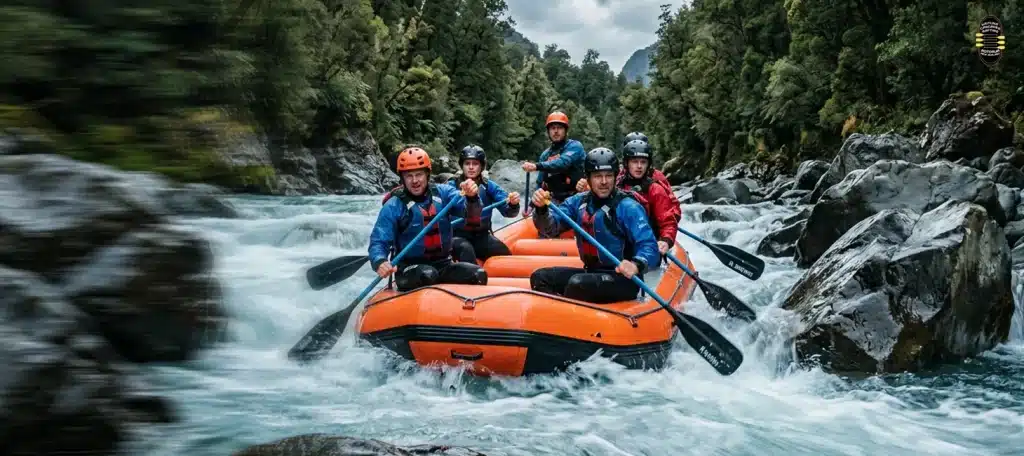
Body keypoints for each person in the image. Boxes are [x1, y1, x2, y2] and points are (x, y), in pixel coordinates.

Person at [527, 147, 661, 304]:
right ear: (588, 178)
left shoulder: (629, 207)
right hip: (591, 272)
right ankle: (557, 320)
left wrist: (636, 264)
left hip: (623, 279)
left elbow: (650, 247)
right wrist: (541, 209)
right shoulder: (577, 202)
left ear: (615, 177)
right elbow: (549, 229)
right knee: (540, 277)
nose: (604, 182)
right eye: (598, 176)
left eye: (608, 176)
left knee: (578, 284)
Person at [369, 146, 488, 291]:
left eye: (419, 174)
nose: (414, 181)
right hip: (409, 269)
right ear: (402, 178)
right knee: (428, 275)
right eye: (409, 176)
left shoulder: (443, 193)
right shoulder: (394, 205)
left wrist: (472, 198)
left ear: (427, 174)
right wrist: (379, 261)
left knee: (478, 274)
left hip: (444, 264)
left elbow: (472, 214)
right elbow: (379, 240)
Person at [576, 139, 681, 255]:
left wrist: (665, 240)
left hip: (646, 242)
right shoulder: (616, 184)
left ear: (648, 164)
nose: (639, 166)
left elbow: (668, 221)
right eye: (635, 162)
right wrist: (587, 188)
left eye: (643, 162)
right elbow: (598, 198)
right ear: (626, 163)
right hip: (620, 242)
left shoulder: (655, 189)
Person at [447, 144, 522, 263]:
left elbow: (508, 212)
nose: (471, 167)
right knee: (465, 250)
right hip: (457, 236)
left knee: (506, 257)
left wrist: (513, 204)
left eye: (475, 164)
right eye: (467, 163)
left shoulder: (489, 186)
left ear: (481, 166)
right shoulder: (451, 186)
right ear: (462, 165)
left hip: (481, 236)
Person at [521, 111, 586, 206]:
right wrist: (531, 206)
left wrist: (536, 166)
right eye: (553, 128)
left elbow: (563, 163)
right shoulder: (545, 155)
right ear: (548, 131)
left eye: (559, 128)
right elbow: (540, 183)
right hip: (554, 200)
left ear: (565, 130)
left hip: (576, 198)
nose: (556, 131)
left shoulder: (575, 146)